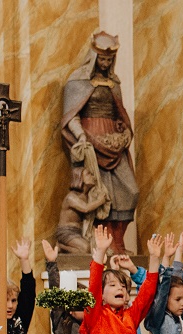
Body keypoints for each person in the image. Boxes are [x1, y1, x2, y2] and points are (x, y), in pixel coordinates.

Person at [61, 31, 138, 253]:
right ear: (94, 57)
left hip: (114, 143)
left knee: (130, 191)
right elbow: (71, 115)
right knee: (99, 194)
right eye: (102, 59)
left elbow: (120, 114)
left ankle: (118, 242)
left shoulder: (114, 83)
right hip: (91, 143)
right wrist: (81, 136)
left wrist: (124, 132)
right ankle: (103, 243)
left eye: (109, 60)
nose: (105, 64)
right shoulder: (78, 80)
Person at [54, 165, 109, 254]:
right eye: (88, 174)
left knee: (95, 248)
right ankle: (61, 246)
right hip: (66, 232)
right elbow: (85, 208)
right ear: (80, 178)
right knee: (85, 248)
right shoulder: (71, 197)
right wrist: (100, 201)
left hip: (78, 231)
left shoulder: (87, 196)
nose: (93, 177)